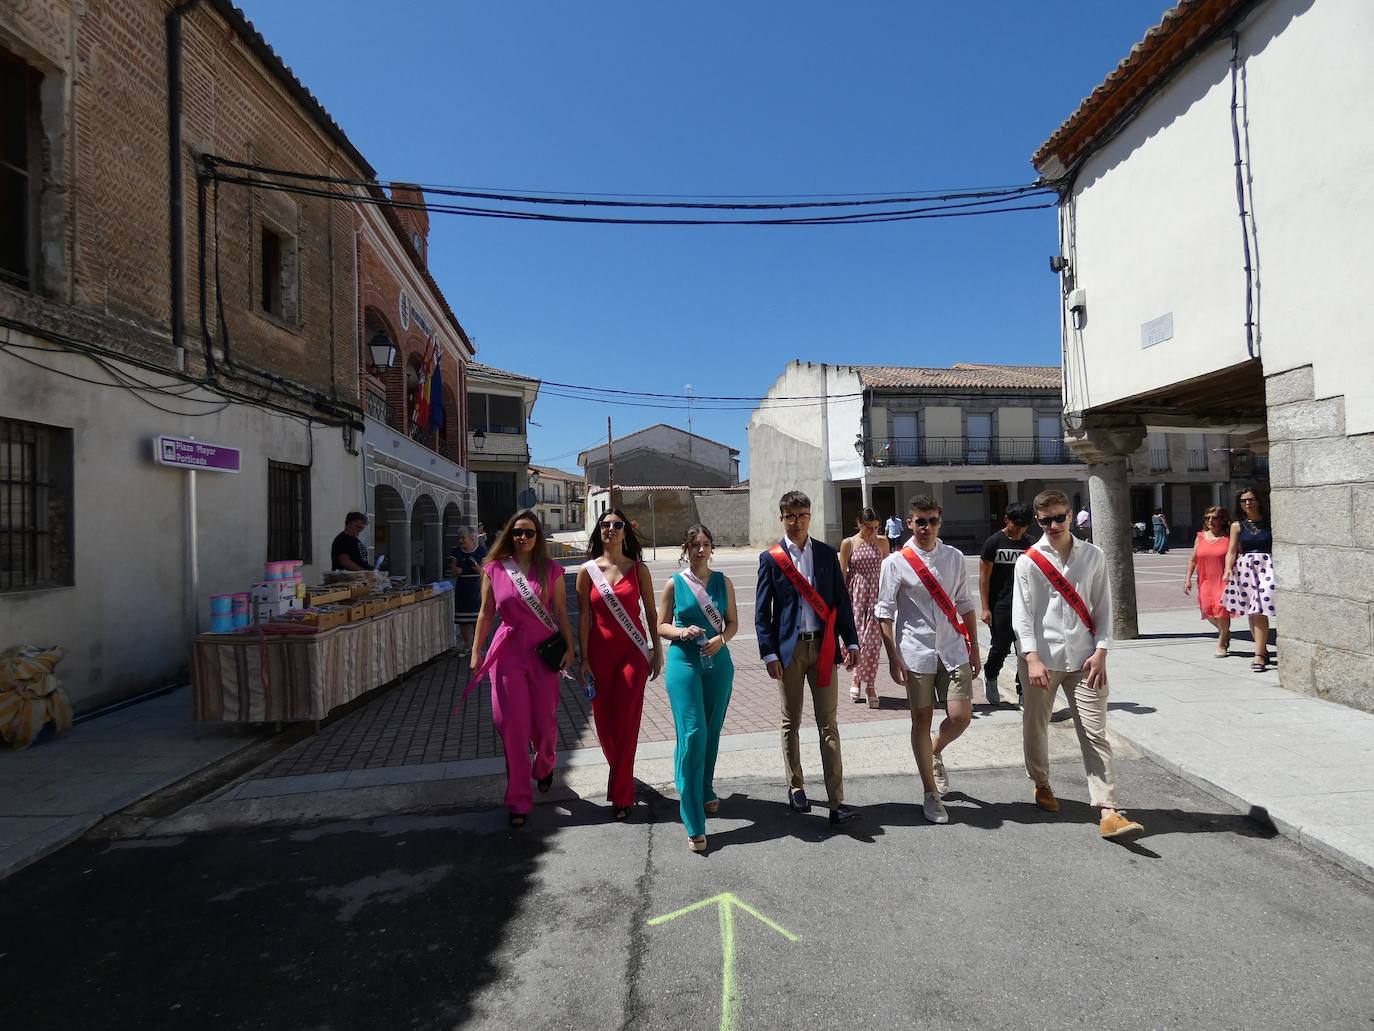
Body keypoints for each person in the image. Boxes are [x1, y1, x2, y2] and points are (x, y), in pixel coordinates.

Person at [1013, 489, 1143, 840]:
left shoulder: (1093, 556)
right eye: (1045, 520)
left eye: (1059, 517)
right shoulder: (1028, 561)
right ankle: (1041, 782)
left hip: (1087, 659)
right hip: (1042, 660)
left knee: (1094, 730)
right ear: (1037, 521)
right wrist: (1032, 657)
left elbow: (1103, 606)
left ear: (1071, 515)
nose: (1053, 525)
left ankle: (1108, 809)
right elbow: (1022, 615)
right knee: (1036, 725)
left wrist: (1102, 649)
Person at [756, 490, 861, 826]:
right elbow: (762, 613)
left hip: (824, 648)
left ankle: (836, 801)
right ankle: (796, 785)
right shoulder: (771, 559)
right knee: (791, 722)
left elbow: (841, 602)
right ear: (782, 518)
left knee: (828, 724)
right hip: (789, 652)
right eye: (790, 516)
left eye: (802, 515)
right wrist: (769, 652)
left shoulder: (827, 554)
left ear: (810, 516)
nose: (797, 522)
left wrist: (852, 642)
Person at [876, 495, 980, 824]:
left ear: (940, 522)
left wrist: (974, 645)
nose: (926, 527)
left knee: (961, 716)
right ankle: (930, 792)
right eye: (920, 521)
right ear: (909, 523)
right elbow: (885, 612)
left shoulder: (954, 557)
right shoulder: (895, 562)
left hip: (952, 648)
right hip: (916, 651)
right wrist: (893, 657)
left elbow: (964, 602)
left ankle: (934, 750)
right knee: (920, 720)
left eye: (932, 520)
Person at [469, 510, 575, 828]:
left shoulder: (552, 570)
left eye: (529, 533)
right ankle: (518, 798)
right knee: (512, 726)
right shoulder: (495, 569)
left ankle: (544, 765)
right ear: (509, 535)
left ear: (538, 537)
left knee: (544, 721)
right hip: (506, 653)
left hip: (543, 653)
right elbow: (486, 613)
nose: (523, 538)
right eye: (517, 532)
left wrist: (570, 647)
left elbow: (559, 612)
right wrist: (476, 651)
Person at [657, 524, 739, 853]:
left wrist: (722, 639)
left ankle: (703, 787)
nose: (700, 550)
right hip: (684, 665)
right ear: (685, 548)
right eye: (694, 545)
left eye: (705, 544)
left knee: (711, 731)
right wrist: (680, 633)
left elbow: (732, 622)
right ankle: (693, 821)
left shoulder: (723, 582)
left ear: (712, 548)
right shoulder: (674, 584)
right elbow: (661, 625)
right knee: (692, 734)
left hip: (718, 665)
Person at [578, 507, 663, 820]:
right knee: (604, 721)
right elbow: (584, 617)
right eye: (605, 525)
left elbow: (652, 613)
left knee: (627, 720)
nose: (609, 529)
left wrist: (657, 649)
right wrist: (583, 658)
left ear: (625, 531)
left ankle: (622, 792)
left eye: (616, 525)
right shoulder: (588, 571)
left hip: (632, 653)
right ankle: (620, 769)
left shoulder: (638, 569)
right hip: (599, 655)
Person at [978, 503, 1033, 706]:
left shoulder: (1030, 544)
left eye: (1023, 526)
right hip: (1000, 605)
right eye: (1015, 525)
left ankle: (1023, 689)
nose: (1019, 530)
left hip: (1025, 606)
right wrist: (985, 608)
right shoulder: (994, 543)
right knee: (1000, 647)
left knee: (1024, 649)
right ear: (1006, 520)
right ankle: (991, 675)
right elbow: (984, 578)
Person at [839, 507, 889, 707]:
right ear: (860, 524)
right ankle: (857, 680)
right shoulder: (849, 543)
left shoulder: (882, 542)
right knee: (858, 641)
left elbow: (888, 570)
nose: (873, 532)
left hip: (877, 597)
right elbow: (842, 573)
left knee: (873, 643)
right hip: (856, 597)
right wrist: (841, 603)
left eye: (877, 527)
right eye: (869, 528)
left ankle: (870, 685)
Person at [1223, 489, 1276, 672]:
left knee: (1261, 607)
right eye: (1244, 501)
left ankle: (1260, 654)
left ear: (1259, 500)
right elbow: (1231, 551)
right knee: (1254, 611)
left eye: (1251, 500)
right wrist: (1228, 569)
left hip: (1268, 566)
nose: (1248, 504)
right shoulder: (1238, 525)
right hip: (1246, 568)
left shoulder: (1271, 521)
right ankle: (1261, 651)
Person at [1185, 506, 1234, 657]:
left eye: (1214, 518)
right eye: (1207, 518)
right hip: (1205, 580)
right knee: (1207, 610)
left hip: (1224, 579)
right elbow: (1193, 560)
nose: (1210, 521)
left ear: (1222, 520)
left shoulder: (1228, 538)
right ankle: (1225, 632)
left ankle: (1221, 642)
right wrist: (1187, 579)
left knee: (1221, 611)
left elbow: (1237, 555)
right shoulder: (1200, 537)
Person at [447, 527, 486, 657]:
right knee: (463, 620)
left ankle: (477, 647)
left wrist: (479, 569)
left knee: (476, 619)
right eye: (459, 538)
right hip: (462, 586)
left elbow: (486, 571)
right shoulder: (456, 552)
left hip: (476, 586)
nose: (461, 540)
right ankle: (467, 646)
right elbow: (452, 571)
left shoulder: (481, 551)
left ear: (471, 537)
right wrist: (455, 571)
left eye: (463, 537)